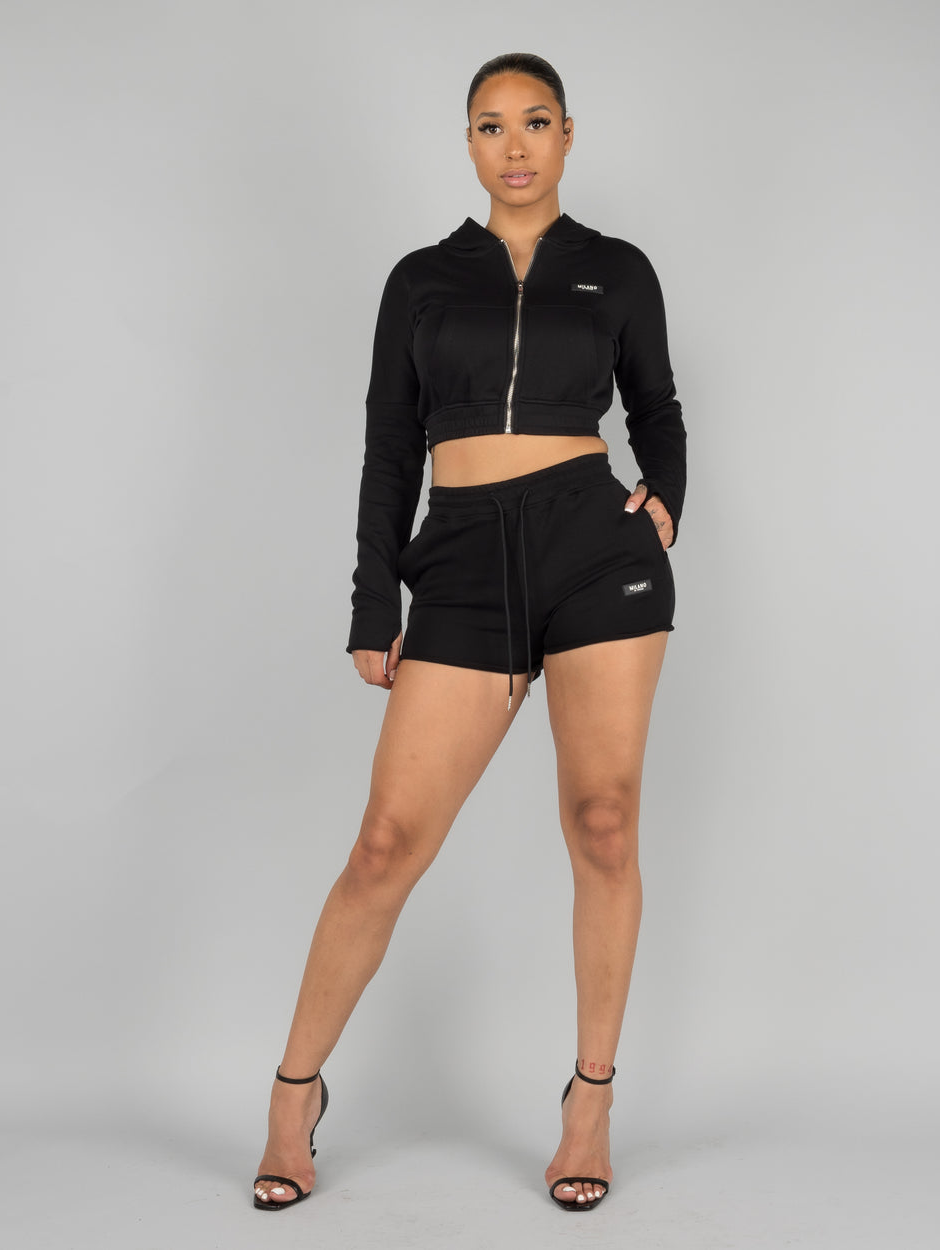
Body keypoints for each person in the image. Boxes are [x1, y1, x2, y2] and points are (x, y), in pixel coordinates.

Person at [253, 50, 686, 1214]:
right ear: (468, 144)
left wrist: (666, 500)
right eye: (491, 125)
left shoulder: (616, 270)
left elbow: (657, 404)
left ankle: (589, 1099)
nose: (515, 145)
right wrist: (373, 600)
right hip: (459, 560)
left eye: (535, 121)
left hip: (594, 553)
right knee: (385, 843)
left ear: (567, 134)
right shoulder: (420, 279)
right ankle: (294, 1093)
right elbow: (390, 445)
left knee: (603, 824)